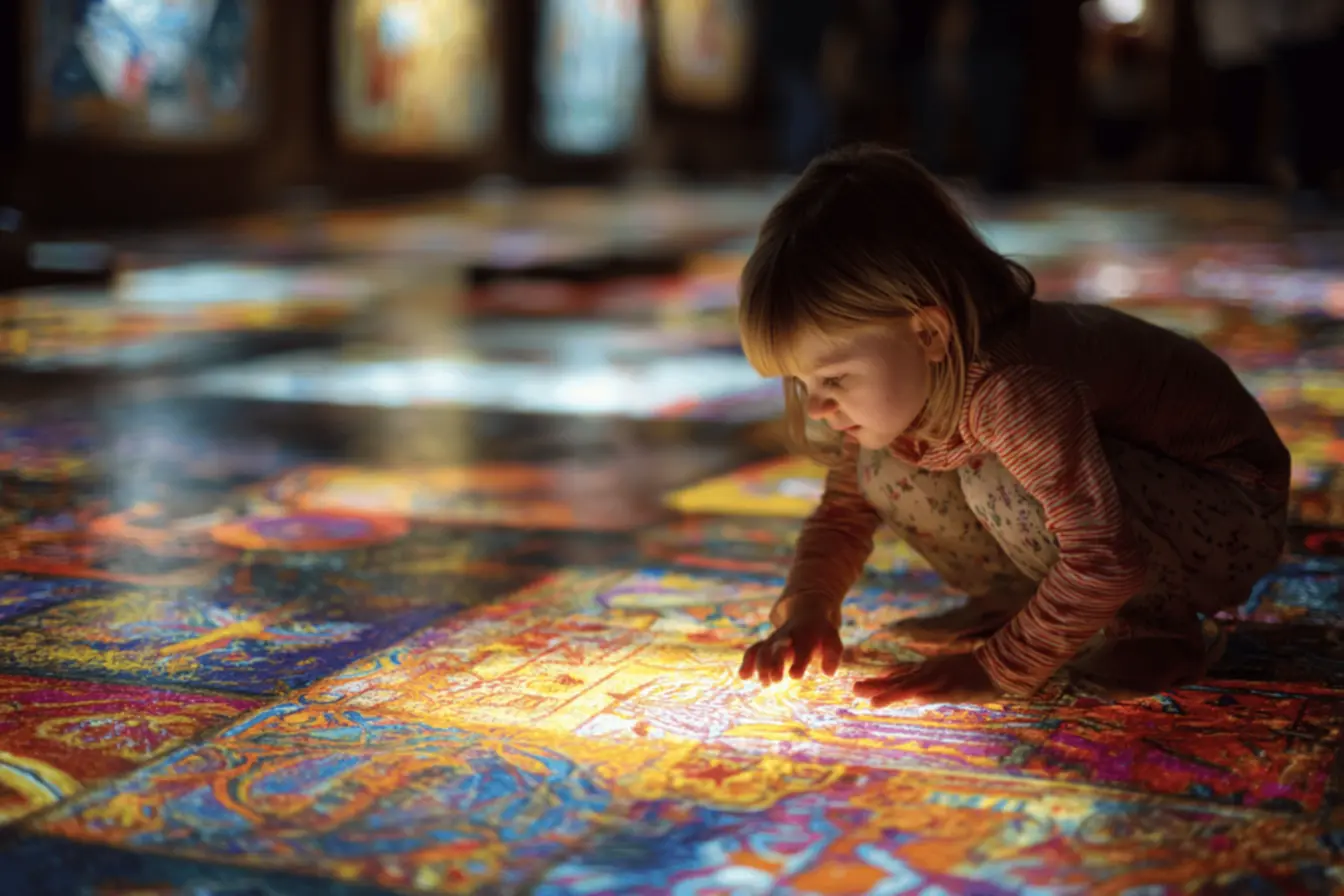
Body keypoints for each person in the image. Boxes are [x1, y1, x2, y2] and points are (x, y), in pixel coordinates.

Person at [736, 145, 1290, 704]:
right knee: (881, 460)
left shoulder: (1015, 392)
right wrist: (807, 608)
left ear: (930, 333)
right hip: (1138, 511)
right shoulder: (910, 376)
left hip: (1230, 514)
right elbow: (842, 513)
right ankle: (1026, 603)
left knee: (996, 477)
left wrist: (997, 669)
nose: (816, 408)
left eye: (833, 379)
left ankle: (1159, 632)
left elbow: (1104, 555)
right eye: (801, 383)